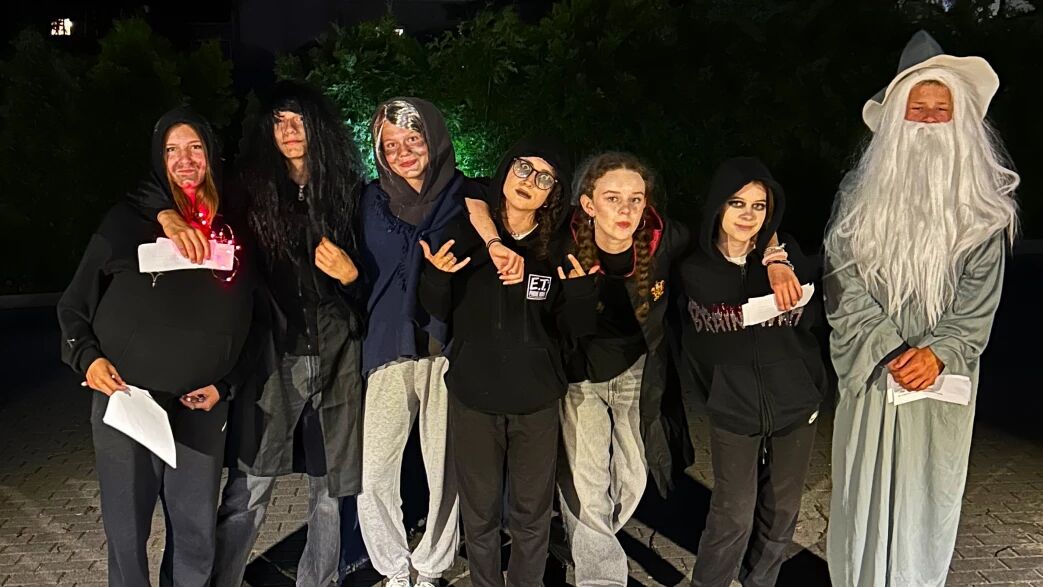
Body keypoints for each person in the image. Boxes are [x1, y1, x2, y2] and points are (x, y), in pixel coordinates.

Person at [133, 81, 369, 587]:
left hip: (338, 354)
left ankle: (319, 580)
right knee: (250, 486)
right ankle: (222, 579)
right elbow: (160, 187)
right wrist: (167, 213)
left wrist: (352, 277)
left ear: (318, 126)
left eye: (298, 120)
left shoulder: (350, 191)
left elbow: (378, 279)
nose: (289, 131)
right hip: (273, 355)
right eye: (279, 121)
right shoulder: (250, 190)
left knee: (332, 490)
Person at [824, 31, 1018, 587]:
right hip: (874, 371)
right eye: (918, 107)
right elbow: (842, 280)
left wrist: (938, 352)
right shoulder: (859, 195)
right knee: (863, 493)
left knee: (929, 497)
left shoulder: (986, 209)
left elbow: (979, 301)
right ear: (895, 118)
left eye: (941, 108)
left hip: (942, 379)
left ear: (961, 119)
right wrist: (890, 349)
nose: (929, 120)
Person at [58, 107, 257, 586]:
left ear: (211, 154)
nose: (184, 160)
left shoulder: (236, 226)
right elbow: (74, 305)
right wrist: (88, 358)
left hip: (201, 404)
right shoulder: (126, 221)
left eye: (195, 147)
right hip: (130, 398)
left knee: (196, 534)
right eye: (172, 150)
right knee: (127, 534)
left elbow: (256, 320)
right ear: (158, 159)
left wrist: (226, 384)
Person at [419, 138, 597, 587]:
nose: (529, 181)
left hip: (535, 401)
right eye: (523, 168)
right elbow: (436, 310)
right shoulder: (467, 232)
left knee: (531, 514)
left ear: (552, 194)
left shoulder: (558, 248)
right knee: (479, 514)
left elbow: (572, 329)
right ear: (505, 171)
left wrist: (580, 295)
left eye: (544, 178)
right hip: (473, 398)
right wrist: (437, 277)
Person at [357, 97, 504, 587]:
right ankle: (393, 567)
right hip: (386, 347)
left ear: (434, 139)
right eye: (390, 145)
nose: (402, 153)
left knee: (445, 471)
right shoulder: (367, 200)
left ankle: (432, 565)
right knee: (373, 472)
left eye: (413, 139)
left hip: (447, 349)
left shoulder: (468, 195)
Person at [680, 157, 827, 587]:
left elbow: (817, 320)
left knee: (781, 512)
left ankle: (759, 582)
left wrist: (777, 257)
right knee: (733, 513)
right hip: (733, 410)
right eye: (737, 203)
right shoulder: (693, 269)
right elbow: (687, 341)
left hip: (795, 406)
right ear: (717, 206)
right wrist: (715, 394)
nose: (748, 214)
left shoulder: (790, 257)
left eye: (759, 206)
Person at [556, 152, 694, 585]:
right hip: (581, 377)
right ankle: (601, 576)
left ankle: (587, 539)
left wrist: (775, 254)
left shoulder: (664, 239)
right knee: (586, 481)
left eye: (636, 199)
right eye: (612, 198)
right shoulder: (562, 244)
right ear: (588, 204)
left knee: (633, 478)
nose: (626, 209)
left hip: (636, 373)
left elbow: (727, 234)